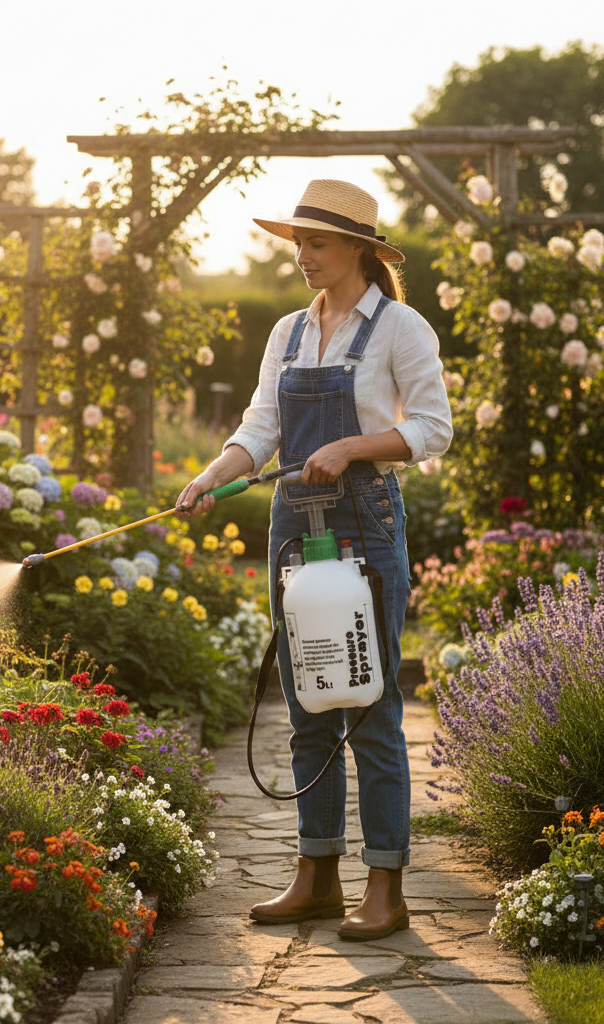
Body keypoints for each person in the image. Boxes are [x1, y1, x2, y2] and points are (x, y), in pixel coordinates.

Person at [176, 179, 452, 941]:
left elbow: (432, 429)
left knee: (368, 705)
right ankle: (316, 875)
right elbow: (259, 427)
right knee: (307, 706)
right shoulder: (289, 332)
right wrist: (210, 477)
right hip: (295, 528)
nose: (302, 256)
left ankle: (386, 886)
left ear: (360, 248)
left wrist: (350, 446)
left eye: (318, 243)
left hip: (365, 522)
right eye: (297, 242)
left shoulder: (401, 329)